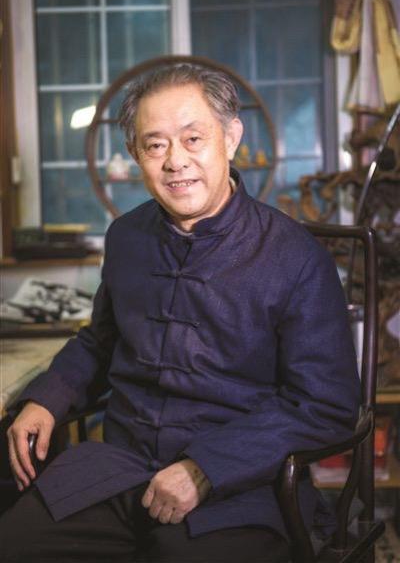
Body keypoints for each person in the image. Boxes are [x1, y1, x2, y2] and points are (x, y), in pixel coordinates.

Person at [0, 64, 360, 563]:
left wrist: (205, 468)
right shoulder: (127, 236)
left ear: (231, 138)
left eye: (193, 139)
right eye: (155, 145)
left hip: (240, 484)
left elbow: (326, 404)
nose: (175, 162)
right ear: (136, 155)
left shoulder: (296, 256)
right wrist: (48, 398)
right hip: (118, 468)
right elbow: (100, 342)